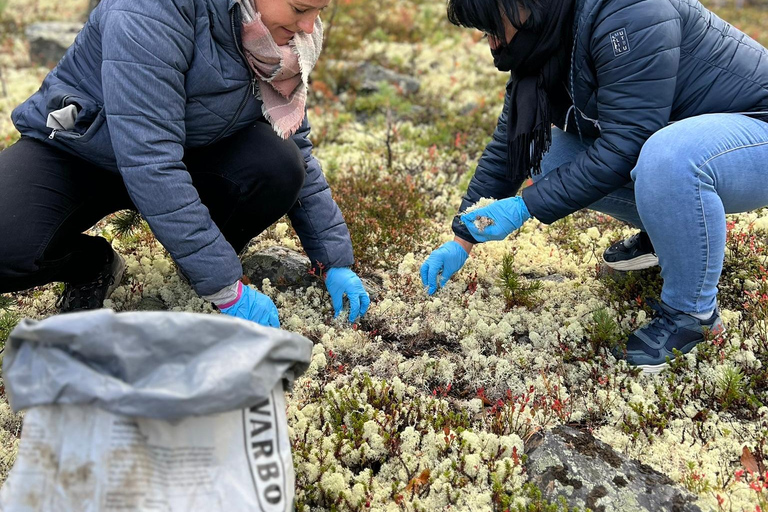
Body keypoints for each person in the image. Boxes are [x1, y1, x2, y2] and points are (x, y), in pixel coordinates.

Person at [421, 0, 768, 373]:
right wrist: (463, 235)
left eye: (492, 28)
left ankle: (692, 314)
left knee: (668, 157)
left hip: (755, 130)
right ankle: (669, 236)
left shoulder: (630, 13)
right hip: (698, 139)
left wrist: (524, 206)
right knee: (550, 152)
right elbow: (512, 144)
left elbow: (626, 144)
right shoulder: (545, 36)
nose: (491, 44)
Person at [0, 0, 370, 326]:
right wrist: (227, 289)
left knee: (279, 163)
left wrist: (334, 260)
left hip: (188, 151)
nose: (309, 28)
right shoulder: (150, 10)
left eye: (321, 11)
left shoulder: (272, 38)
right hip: (85, 147)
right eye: (301, 9)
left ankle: (198, 265)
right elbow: (150, 157)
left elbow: (296, 143)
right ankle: (93, 265)